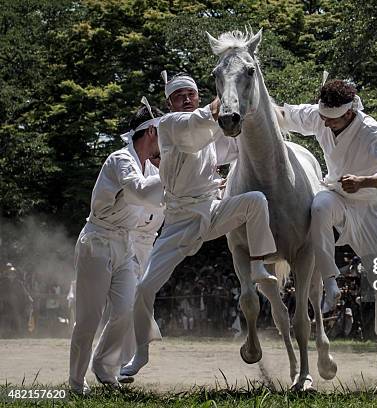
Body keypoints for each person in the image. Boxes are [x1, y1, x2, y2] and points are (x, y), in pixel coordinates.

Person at [121, 71, 278, 378]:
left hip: (212, 211)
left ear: (197, 94)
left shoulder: (209, 132)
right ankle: (141, 353)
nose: (187, 99)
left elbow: (235, 146)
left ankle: (259, 265)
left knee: (256, 201)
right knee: (143, 289)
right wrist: (233, 89)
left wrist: (261, 118)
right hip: (179, 222)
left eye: (190, 94)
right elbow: (198, 126)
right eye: (179, 96)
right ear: (169, 103)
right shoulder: (169, 125)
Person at [281, 79, 377, 378]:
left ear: (350, 112)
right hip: (337, 194)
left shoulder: (375, 133)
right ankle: (331, 281)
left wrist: (365, 181)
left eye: (332, 119)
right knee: (319, 206)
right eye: (323, 118)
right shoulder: (320, 116)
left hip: (366, 207)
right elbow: (284, 115)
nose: (325, 124)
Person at [69, 101, 165, 394]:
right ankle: (75, 382)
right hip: (97, 241)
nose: (168, 142)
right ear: (151, 132)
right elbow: (138, 190)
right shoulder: (120, 159)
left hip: (124, 244)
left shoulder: (150, 165)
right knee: (88, 318)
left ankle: (104, 366)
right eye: (164, 134)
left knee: (126, 310)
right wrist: (171, 175)